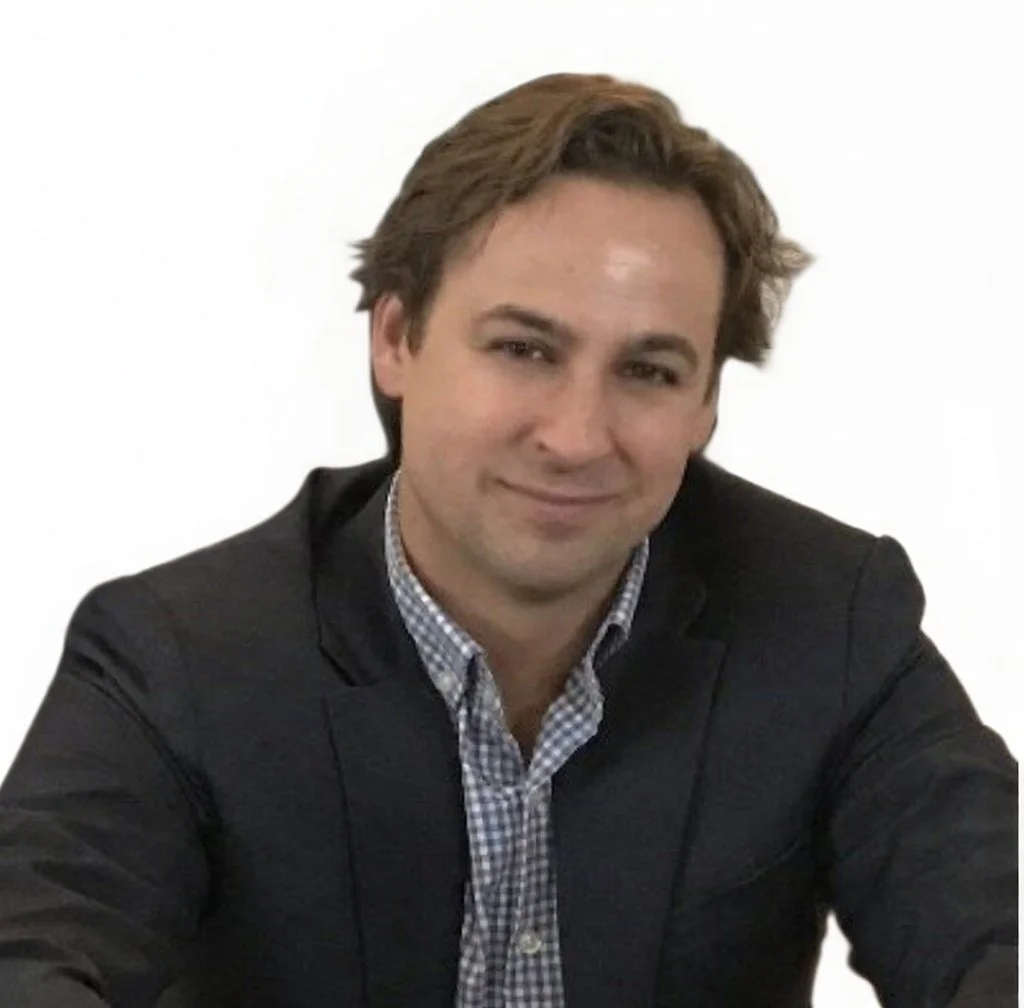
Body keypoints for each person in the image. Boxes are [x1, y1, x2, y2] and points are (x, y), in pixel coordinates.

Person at [0, 71, 1016, 1008]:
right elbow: (31, 953)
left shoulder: (832, 625)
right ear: (394, 340)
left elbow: (993, 931)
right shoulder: (177, 660)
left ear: (707, 402)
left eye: (649, 371)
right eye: (524, 349)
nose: (576, 437)